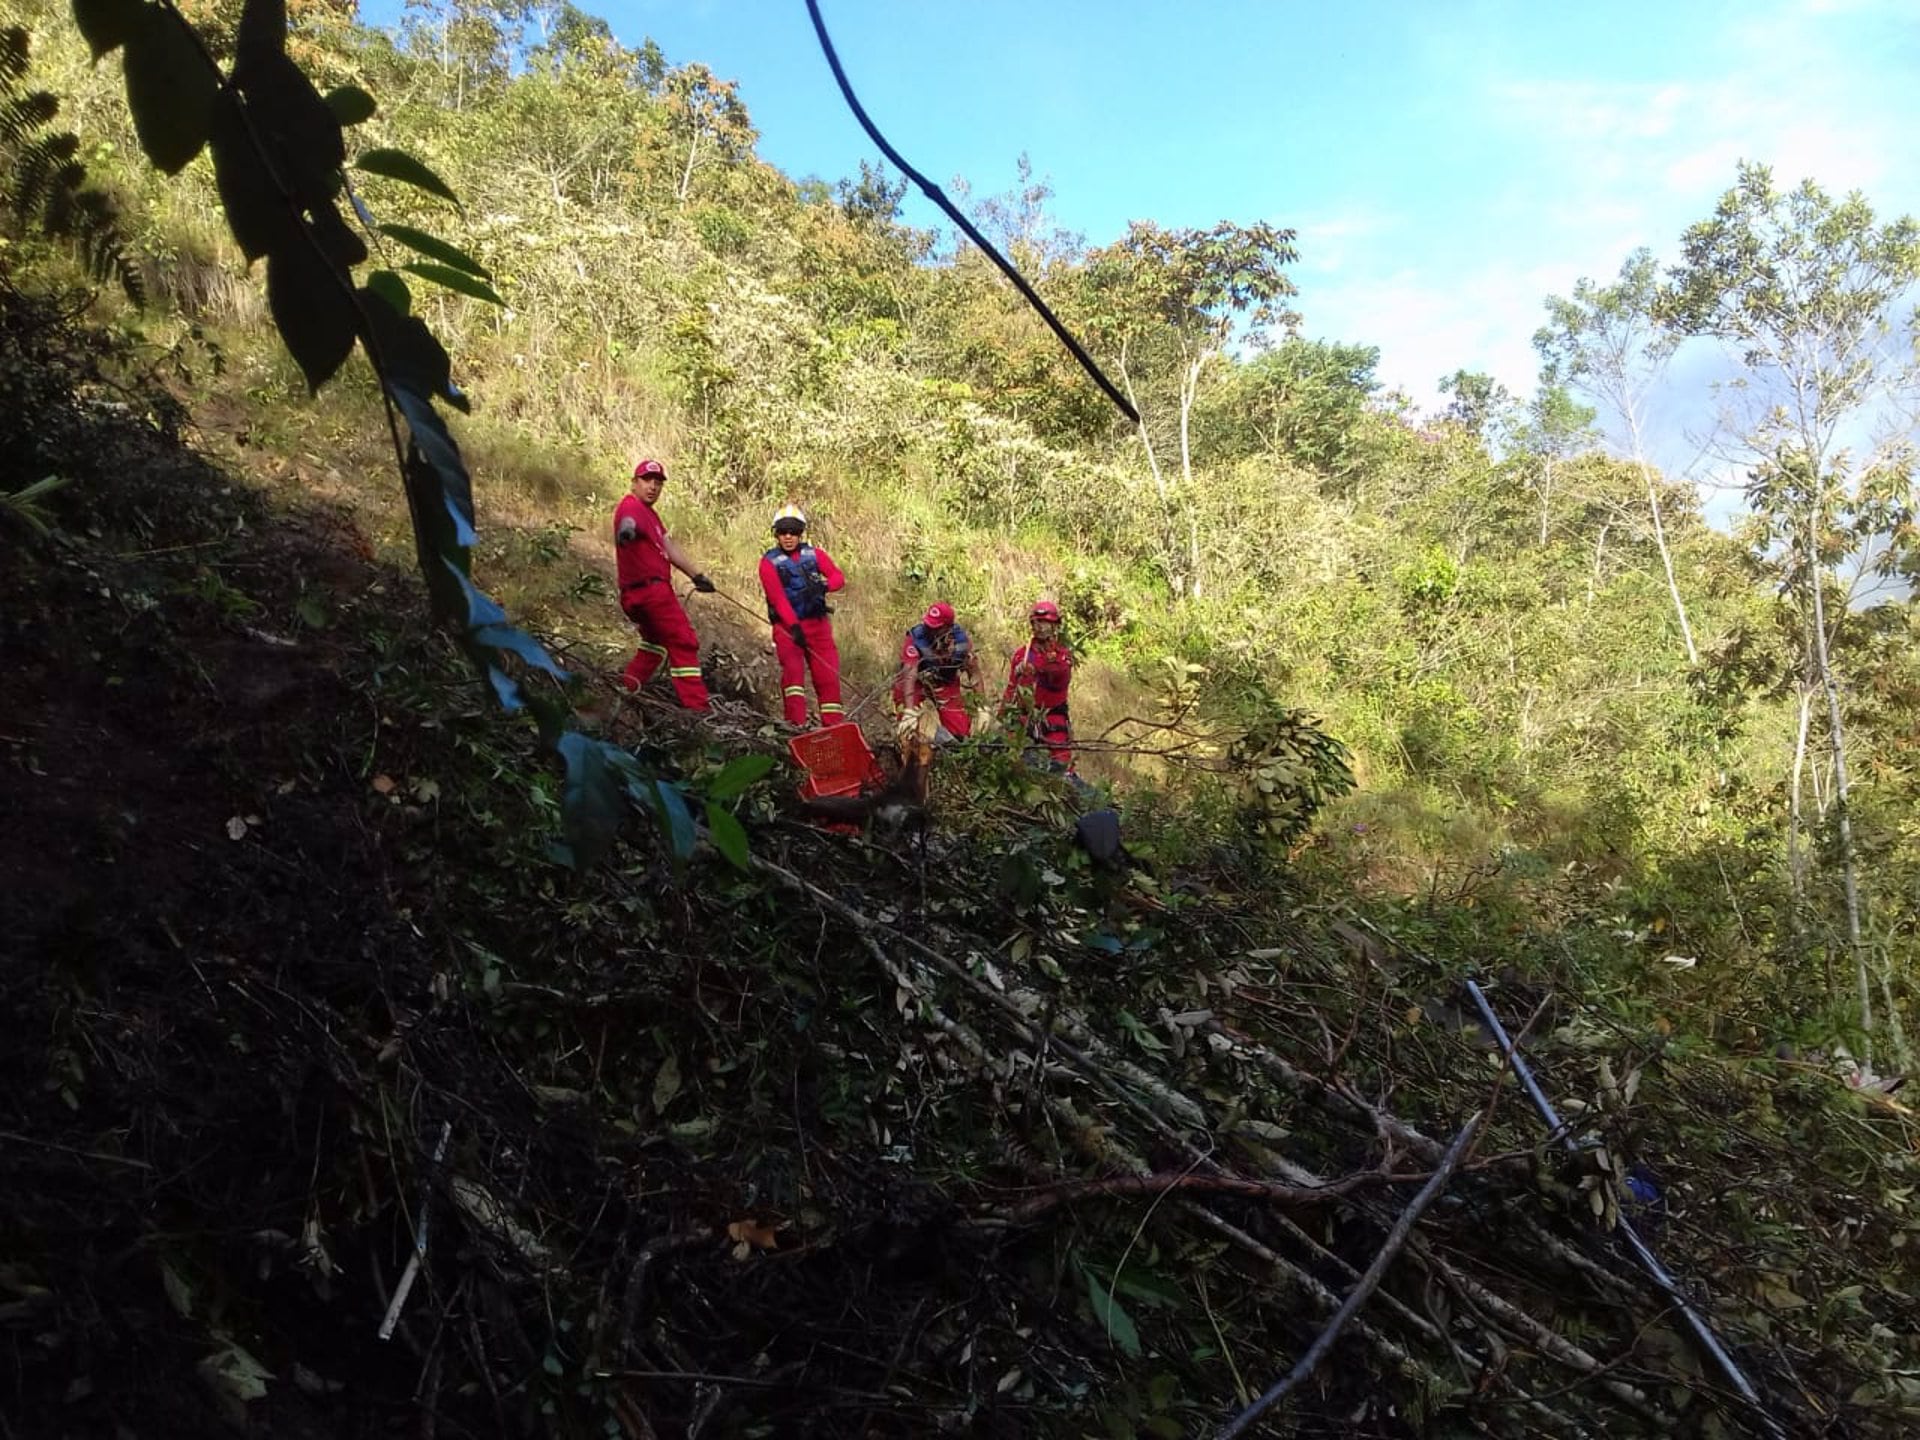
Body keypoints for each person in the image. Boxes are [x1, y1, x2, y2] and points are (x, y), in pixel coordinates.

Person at [613, 459, 713, 710]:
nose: (653, 487)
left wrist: (696, 576)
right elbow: (628, 523)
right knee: (683, 642)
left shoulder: (652, 516)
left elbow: (669, 548)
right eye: (647, 480)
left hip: (634, 595)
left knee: (654, 643)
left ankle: (626, 690)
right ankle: (697, 711)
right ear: (634, 483)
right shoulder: (631, 507)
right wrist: (626, 533)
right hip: (651, 592)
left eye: (658, 483)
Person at [757, 506, 847, 728]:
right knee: (794, 679)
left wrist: (824, 585)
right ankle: (795, 727)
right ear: (776, 534)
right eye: (783, 531)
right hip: (788, 630)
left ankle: (834, 726)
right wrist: (794, 627)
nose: (788, 537)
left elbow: (838, 577)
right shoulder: (769, 563)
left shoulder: (815, 555)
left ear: (801, 533)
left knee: (828, 678)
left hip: (819, 627)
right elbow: (778, 599)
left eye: (794, 531)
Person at [1002, 598, 1074, 770]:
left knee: (1062, 767)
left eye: (1046, 623)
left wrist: (1038, 668)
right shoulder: (1022, 655)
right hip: (1023, 717)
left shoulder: (1063, 656)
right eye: (1037, 622)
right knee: (1010, 761)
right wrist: (1002, 717)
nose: (1040, 627)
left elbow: (1060, 675)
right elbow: (1011, 688)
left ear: (1055, 626)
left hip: (1052, 717)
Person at [893, 601, 980, 739]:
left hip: (944, 681)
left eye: (936, 627)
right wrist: (909, 711)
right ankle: (906, 749)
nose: (930, 630)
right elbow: (910, 673)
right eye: (928, 625)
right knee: (908, 730)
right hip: (917, 681)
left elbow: (973, 671)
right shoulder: (915, 638)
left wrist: (983, 706)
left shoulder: (961, 642)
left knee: (960, 733)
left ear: (948, 628)